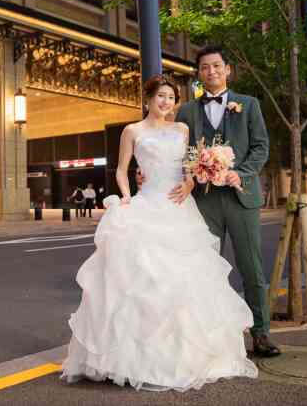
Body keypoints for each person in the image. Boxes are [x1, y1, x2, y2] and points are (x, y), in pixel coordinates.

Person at [61, 75, 258, 392]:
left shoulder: (182, 129)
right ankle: (127, 359)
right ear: (148, 99)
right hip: (147, 202)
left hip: (179, 204)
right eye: (161, 96)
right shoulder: (132, 131)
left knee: (186, 279)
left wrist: (190, 184)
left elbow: (188, 166)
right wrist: (125, 196)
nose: (166, 102)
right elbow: (121, 169)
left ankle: (186, 355)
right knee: (139, 280)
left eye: (171, 97)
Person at [175, 45, 280, 358]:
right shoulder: (186, 112)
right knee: (205, 269)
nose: (211, 72)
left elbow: (261, 147)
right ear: (199, 73)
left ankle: (261, 334)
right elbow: (178, 154)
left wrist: (241, 174)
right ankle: (207, 338)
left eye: (217, 66)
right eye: (205, 67)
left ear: (228, 69)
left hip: (240, 198)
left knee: (252, 269)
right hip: (203, 202)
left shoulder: (248, 105)